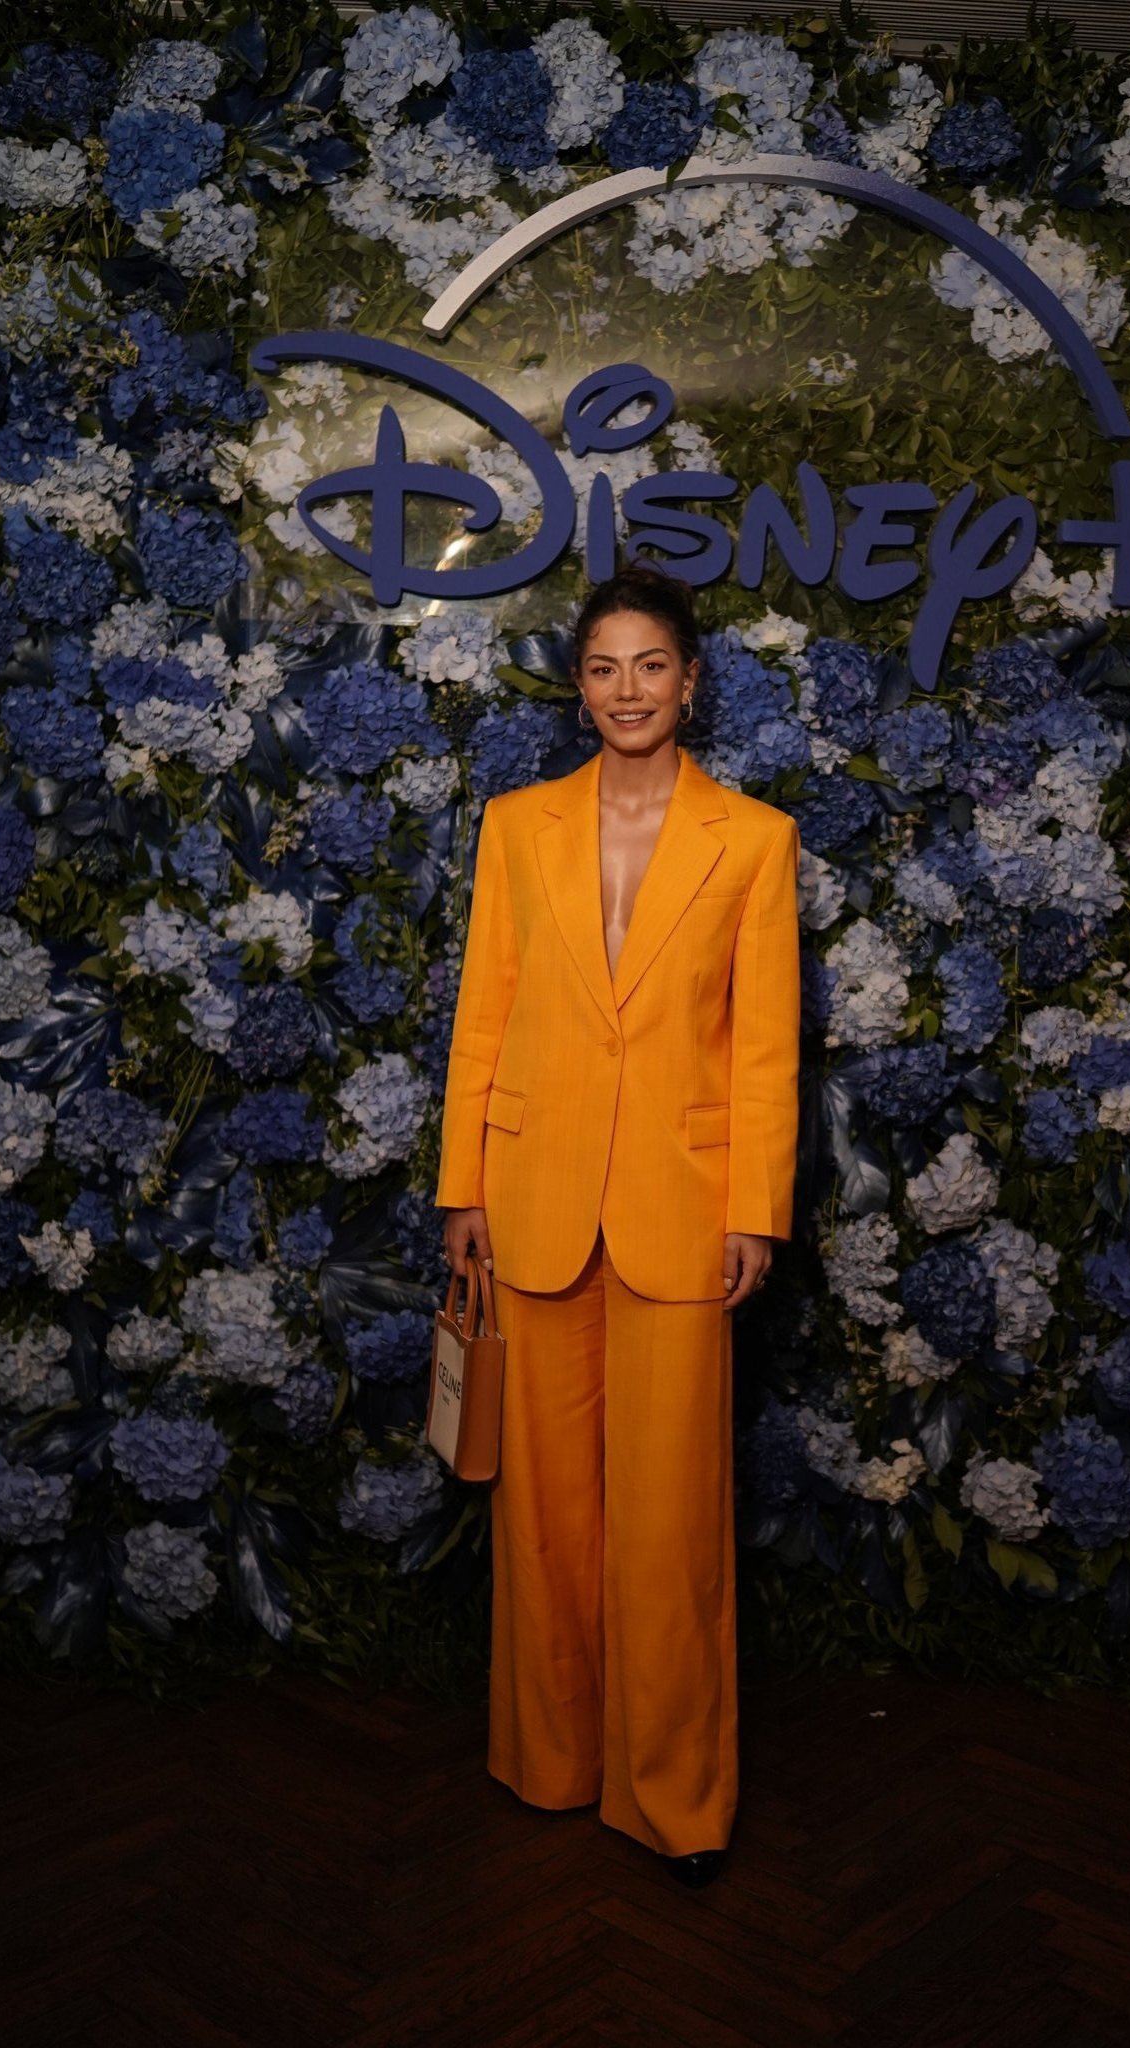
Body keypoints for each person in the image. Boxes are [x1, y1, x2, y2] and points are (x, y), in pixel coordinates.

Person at [436, 560, 802, 1889]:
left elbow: (764, 1050)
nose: (627, 689)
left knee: (670, 1527)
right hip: (531, 1199)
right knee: (542, 1517)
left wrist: (754, 1210)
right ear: (579, 689)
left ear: (689, 684)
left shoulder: (753, 840)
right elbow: (484, 1012)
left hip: (680, 1211)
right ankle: (551, 1761)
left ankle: (672, 1796)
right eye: (603, 668)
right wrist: (463, 1186)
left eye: (651, 666)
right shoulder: (516, 826)